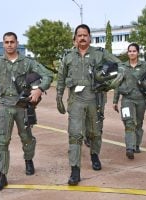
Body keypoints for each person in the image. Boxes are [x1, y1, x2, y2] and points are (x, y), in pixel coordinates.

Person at [56, 24, 122, 185]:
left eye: (85, 35)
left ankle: (94, 155)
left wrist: (112, 83)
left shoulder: (99, 54)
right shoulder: (68, 57)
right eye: (79, 35)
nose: (82, 38)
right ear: (75, 38)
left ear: (90, 37)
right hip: (75, 101)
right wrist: (58, 96)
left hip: (95, 100)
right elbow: (61, 77)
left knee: (95, 133)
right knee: (75, 135)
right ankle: (75, 171)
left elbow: (120, 66)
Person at [0, 32, 53, 191]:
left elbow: (48, 75)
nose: (10, 44)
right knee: (2, 141)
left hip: (22, 106)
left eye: (12, 42)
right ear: (3, 44)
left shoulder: (27, 63)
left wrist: (39, 89)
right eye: (6, 42)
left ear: (17, 43)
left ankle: (28, 159)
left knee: (26, 137)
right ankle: (1, 175)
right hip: (5, 106)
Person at [113, 43, 146, 160]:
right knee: (129, 123)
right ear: (127, 53)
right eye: (130, 51)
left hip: (141, 100)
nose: (131, 53)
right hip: (127, 99)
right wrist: (115, 101)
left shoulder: (145, 66)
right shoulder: (122, 67)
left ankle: (136, 145)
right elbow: (117, 84)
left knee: (138, 124)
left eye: (134, 51)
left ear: (138, 53)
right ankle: (129, 148)